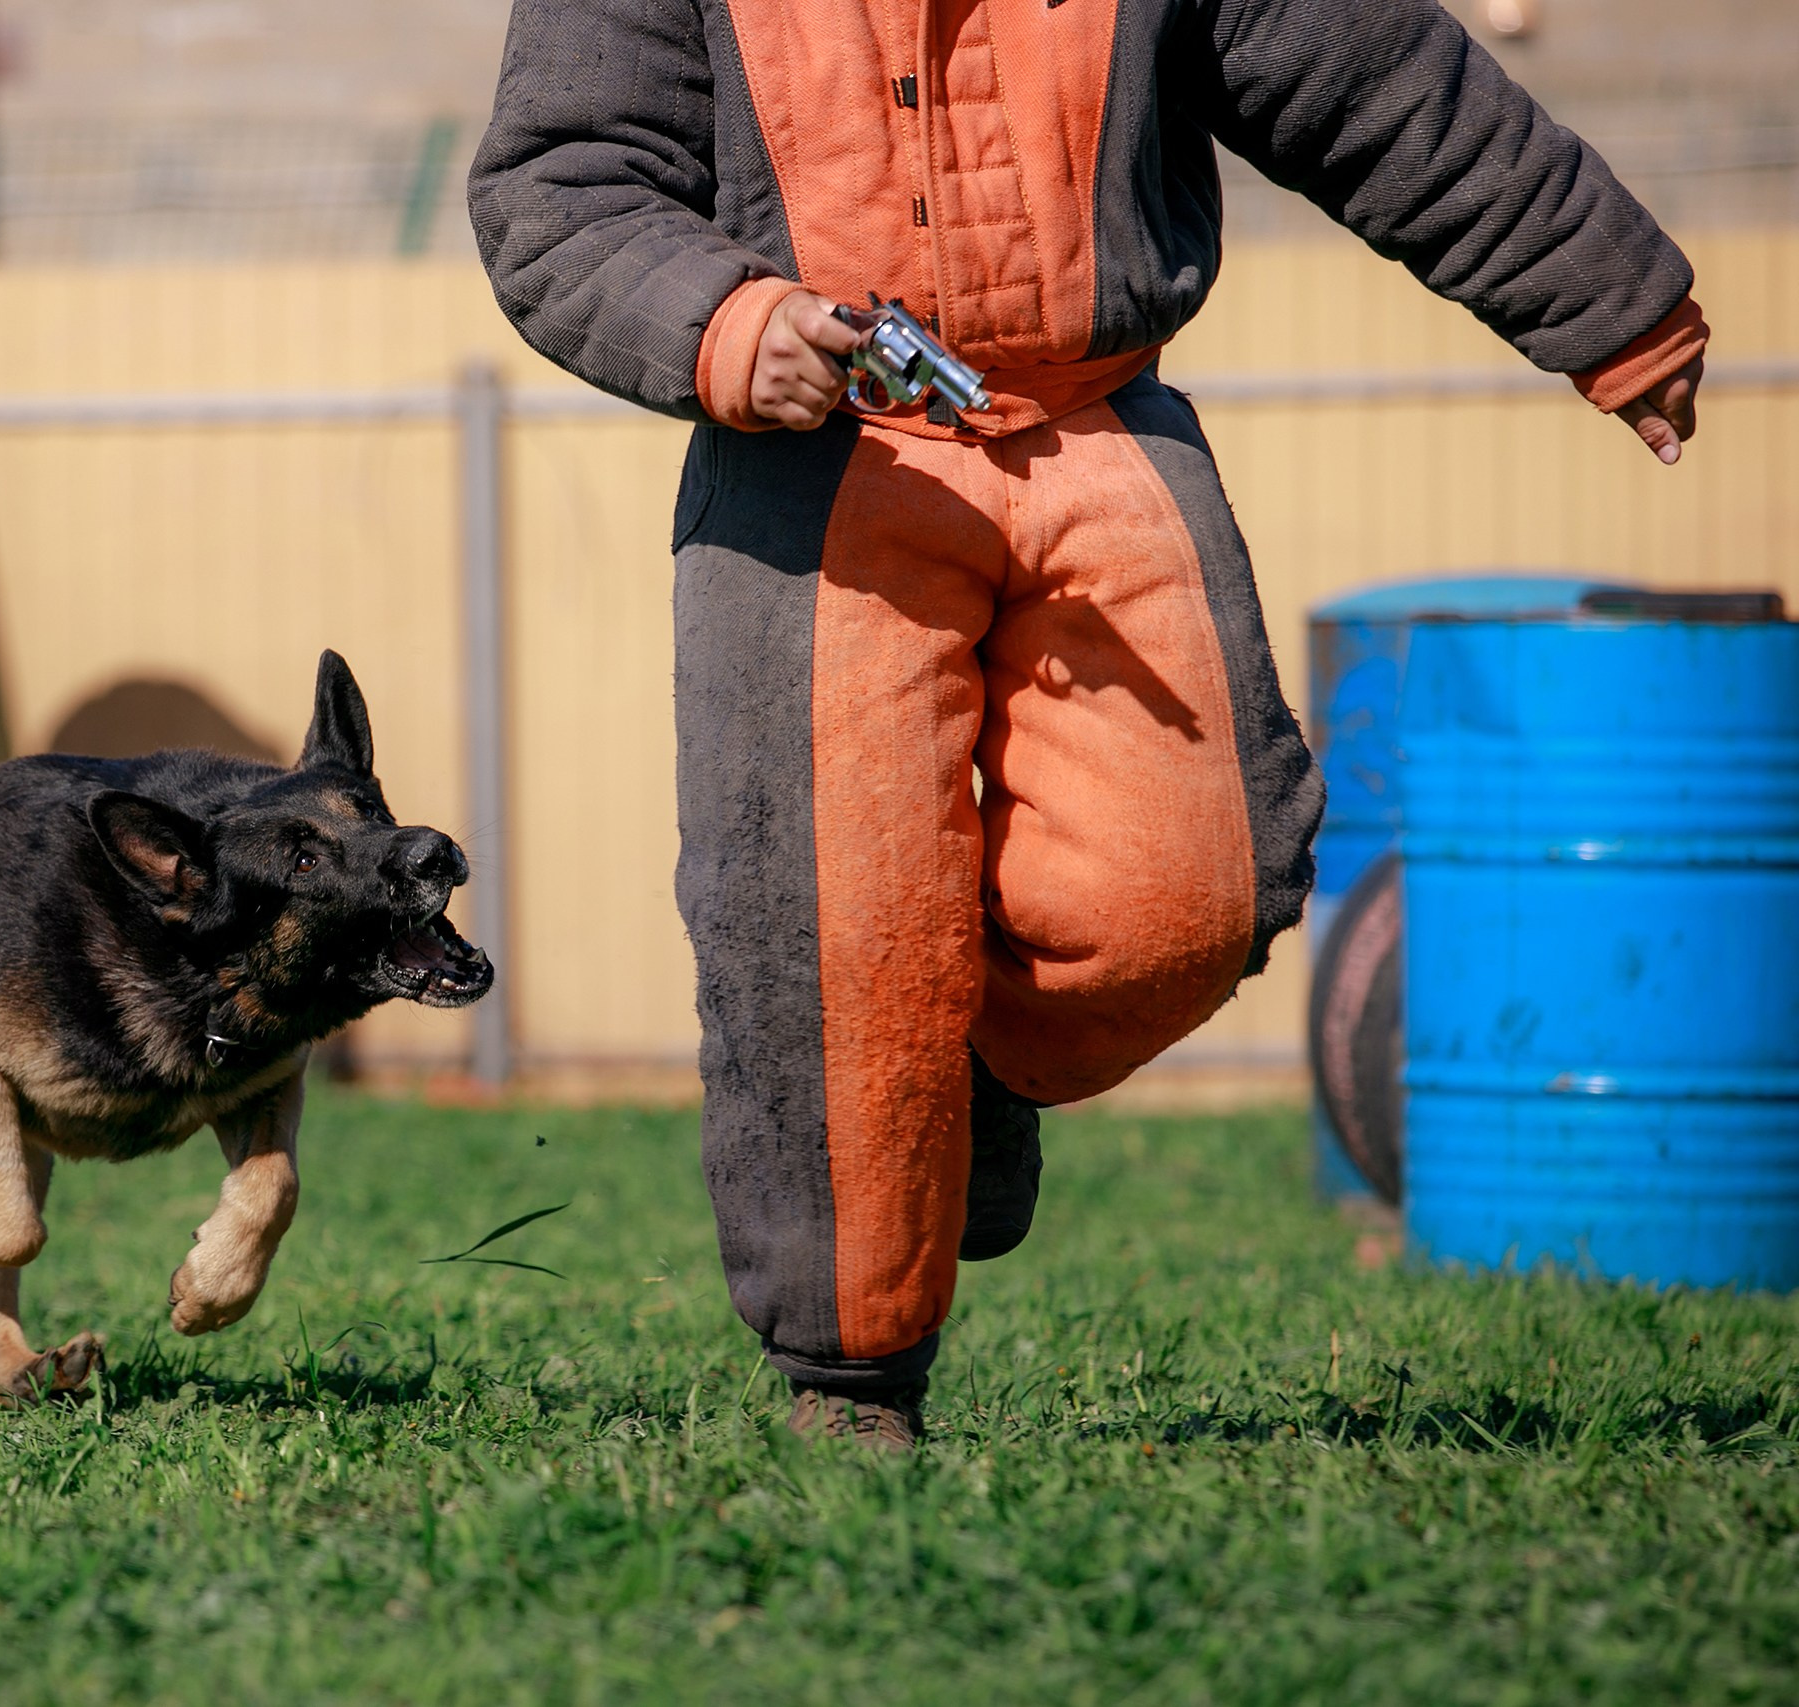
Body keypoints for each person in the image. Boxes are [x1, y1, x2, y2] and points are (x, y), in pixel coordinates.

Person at [468, 0, 1706, 1450]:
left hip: (1099, 421)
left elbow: (1378, 86)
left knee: (1194, 890)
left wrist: (1612, 299)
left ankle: (976, 1062)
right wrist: (732, 325)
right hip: (813, 466)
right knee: (825, 937)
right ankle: (850, 1384)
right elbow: (557, 184)